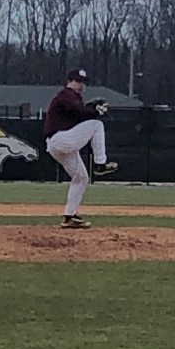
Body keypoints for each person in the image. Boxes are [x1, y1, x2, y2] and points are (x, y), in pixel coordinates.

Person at [44, 68, 118, 229]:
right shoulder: (66, 94)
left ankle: (70, 216)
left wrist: (92, 110)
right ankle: (100, 164)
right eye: (78, 81)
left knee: (81, 178)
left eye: (83, 82)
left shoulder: (73, 99)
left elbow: (79, 114)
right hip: (60, 139)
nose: (81, 85)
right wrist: (95, 112)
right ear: (69, 81)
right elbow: (79, 110)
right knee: (97, 125)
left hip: (58, 145)